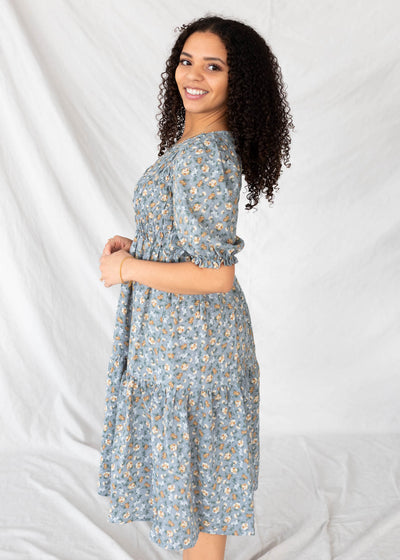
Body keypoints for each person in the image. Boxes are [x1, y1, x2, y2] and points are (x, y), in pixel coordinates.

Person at [97, 14, 294, 560]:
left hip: (193, 346)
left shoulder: (208, 157)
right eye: (187, 61)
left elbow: (216, 273)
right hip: (181, 341)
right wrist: (141, 244)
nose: (194, 75)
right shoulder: (196, 146)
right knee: (197, 480)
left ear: (239, 81)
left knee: (201, 485)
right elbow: (189, 241)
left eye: (214, 65)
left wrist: (128, 271)